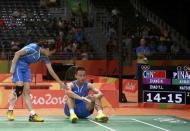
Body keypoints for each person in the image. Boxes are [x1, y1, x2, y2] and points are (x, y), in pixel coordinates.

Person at [7, 40, 66, 122]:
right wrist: (12, 68)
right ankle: (10, 111)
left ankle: (32, 115)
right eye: (52, 52)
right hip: (18, 66)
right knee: (20, 87)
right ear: (47, 49)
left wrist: (60, 82)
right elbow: (17, 53)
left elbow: (51, 71)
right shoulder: (33, 48)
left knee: (26, 91)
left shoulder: (44, 56)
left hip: (26, 68)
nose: (51, 54)